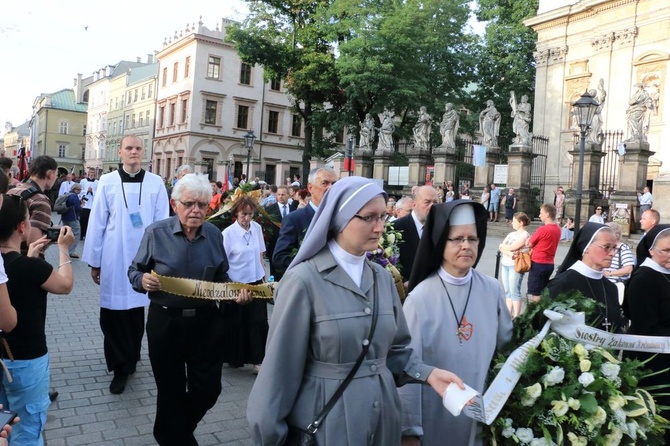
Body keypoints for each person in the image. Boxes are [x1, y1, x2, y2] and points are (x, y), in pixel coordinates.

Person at [247, 176, 467, 445]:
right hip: (328, 423)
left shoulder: (382, 278)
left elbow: (395, 352)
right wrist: (269, 437)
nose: (379, 227)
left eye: (383, 216)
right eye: (368, 217)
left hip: (382, 422)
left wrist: (429, 373)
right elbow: (277, 377)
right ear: (339, 218)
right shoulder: (303, 282)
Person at [128, 173, 251, 445]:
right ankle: (178, 439)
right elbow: (134, 271)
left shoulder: (214, 235)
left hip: (207, 323)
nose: (196, 210)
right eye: (189, 204)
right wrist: (142, 280)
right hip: (165, 322)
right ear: (175, 205)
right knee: (170, 390)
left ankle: (171, 433)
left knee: (208, 390)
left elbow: (221, 278)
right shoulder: (156, 233)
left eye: (202, 205)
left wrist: (236, 293)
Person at [400, 200, 513, 446]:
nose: (466, 246)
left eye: (472, 239)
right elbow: (406, 368)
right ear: (441, 242)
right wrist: (409, 430)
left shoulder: (492, 289)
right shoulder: (420, 298)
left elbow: (508, 350)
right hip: (435, 414)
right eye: (457, 239)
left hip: (483, 413)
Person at [82, 135, 170, 395]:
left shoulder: (155, 184)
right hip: (113, 255)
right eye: (129, 148)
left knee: (135, 313)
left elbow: (162, 223)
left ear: (143, 153)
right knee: (111, 312)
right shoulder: (107, 182)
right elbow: (97, 222)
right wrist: (95, 262)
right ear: (119, 152)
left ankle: (130, 359)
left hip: (143, 259)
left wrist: (160, 261)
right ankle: (119, 365)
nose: (133, 152)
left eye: (138, 148)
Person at [0, 193, 74, 445]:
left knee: (3, 426)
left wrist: (30, 257)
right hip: (26, 360)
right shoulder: (30, 268)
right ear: (22, 227)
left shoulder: (17, 264)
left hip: (3, 356)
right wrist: (64, 250)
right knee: (28, 430)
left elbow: (13, 280)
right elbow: (65, 285)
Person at [623, 224, 670, 443]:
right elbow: (646, 327)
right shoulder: (643, 278)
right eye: (666, 251)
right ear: (651, 250)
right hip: (652, 360)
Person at [547, 223, 626, 333]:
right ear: (586, 247)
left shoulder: (611, 288)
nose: (612, 253)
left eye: (614, 248)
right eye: (607, 247)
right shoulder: (562, 284)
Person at [221, 195, 268, 374]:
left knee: (257, 322)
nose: (247, 218)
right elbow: (223, 262)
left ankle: (258, 360)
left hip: (255, 282)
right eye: (243, 214)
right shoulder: (228, 234)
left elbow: (260, 255)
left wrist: (264, 276)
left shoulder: (256, 228)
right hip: (236, 283)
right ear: (236, 214)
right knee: (235, 323)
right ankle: (234, 357)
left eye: (250, 214)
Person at [272, 167, 337, 280]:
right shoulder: (294, 219)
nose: (330, 187)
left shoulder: (341, 217)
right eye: (324, 183)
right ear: (310, 187)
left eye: (334, 184)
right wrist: (314, 268)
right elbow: (279, 259)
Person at [6, 156, 58, 249]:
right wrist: (54, 238)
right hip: (24, 259)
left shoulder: (12, 191)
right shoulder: (41, 201)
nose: (56, 178)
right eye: (56, 175)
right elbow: (33, 244)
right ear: (51, 174)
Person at [392, 185, 439, 287]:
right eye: (427, 202)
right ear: (414, 204)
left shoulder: (442, 228)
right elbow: (388, 263)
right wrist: (403, 281)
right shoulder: (395, 228)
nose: (432, 206)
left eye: (435, 202)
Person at [498, 212, 531, 318]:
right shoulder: (511, 234)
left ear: (521, 223)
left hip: (515, 265)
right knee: (507, 291)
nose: (512, 223)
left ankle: (516, 316)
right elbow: (502, 247)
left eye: (515, 221)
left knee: (514, 291)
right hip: (506, 262)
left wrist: (505, 248)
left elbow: (512, 246)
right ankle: (508, 314)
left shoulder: (525, 235)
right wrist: (510, 253)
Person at [526, 204, 561, 302]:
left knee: (536, 294)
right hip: (549, 263)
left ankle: (537, 316)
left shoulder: (543, 229)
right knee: (543, 292)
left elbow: (529, 244)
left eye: (541, 213)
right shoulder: (557, 229)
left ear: (547, 214)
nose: (540, 215)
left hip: (538, 263)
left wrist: (529, 238)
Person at [603, 222, 634, 305]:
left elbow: (628, 269)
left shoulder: (623, 249)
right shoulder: (605, 247)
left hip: (616, 285)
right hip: (604, 284)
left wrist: (609, 273)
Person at [60, 182, 82, 258]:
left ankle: (64, 249)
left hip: (65, 217)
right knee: (76, 234)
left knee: (66, 234)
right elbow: (77, 208)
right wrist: (81, 205)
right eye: (79, 189)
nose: (80, 191)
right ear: (75, 189)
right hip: (73, 218)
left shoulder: (67, 195)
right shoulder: (74, 197)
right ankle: (71, 251)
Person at [78, 167, 98, 240]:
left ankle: (88, 235)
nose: (91, 174)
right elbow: (80, 191)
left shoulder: (97, 182)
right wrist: (87, 190)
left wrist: (92, 191)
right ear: (88, 173)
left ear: (94, 173)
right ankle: (81, 234)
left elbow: (98, 193)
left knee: (91, 221)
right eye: (90, 172)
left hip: (92, 204)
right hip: (85, 204)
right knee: (82, 220)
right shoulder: (83, 181)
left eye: (93, 172)